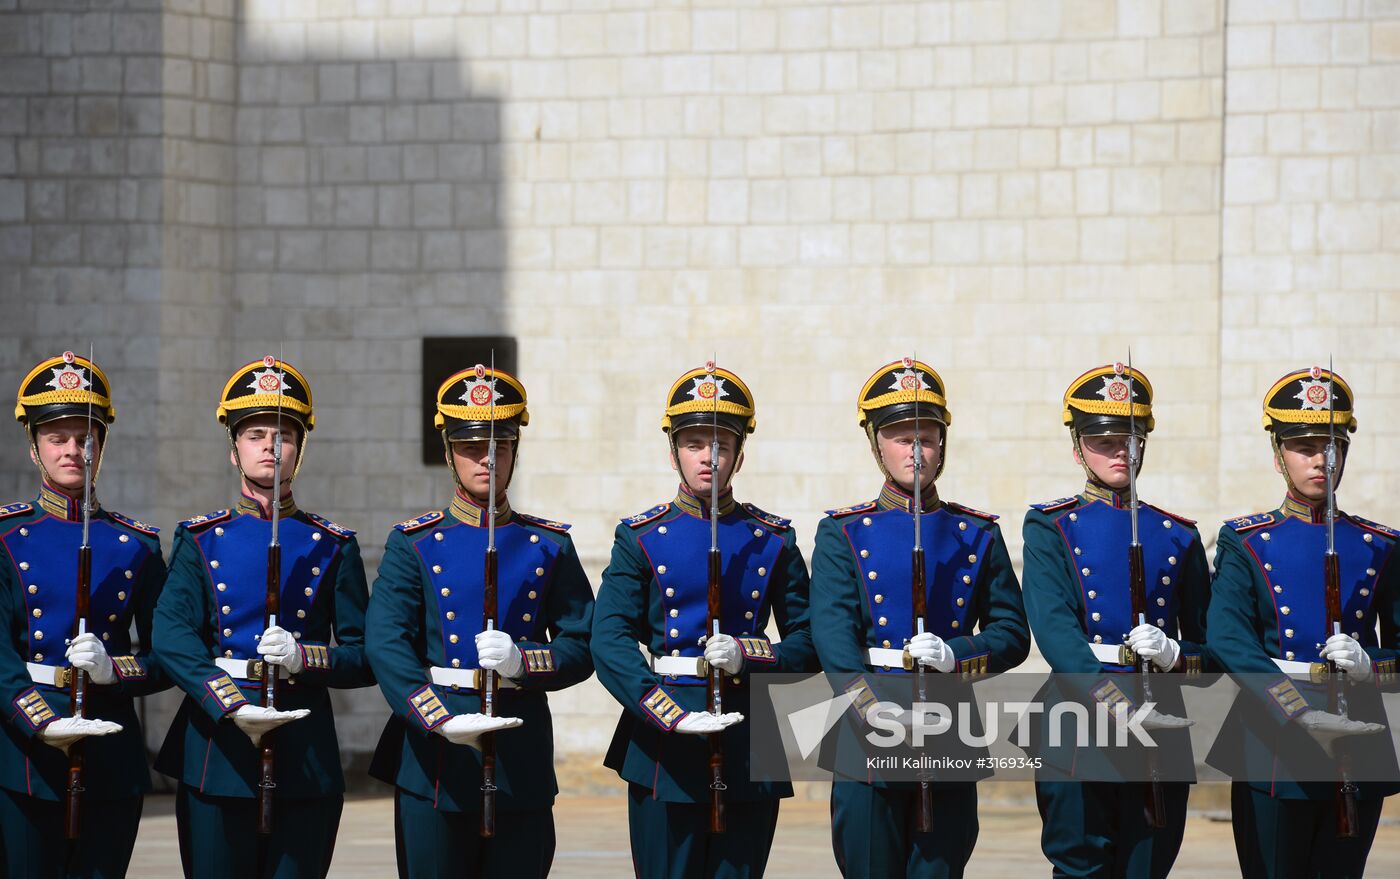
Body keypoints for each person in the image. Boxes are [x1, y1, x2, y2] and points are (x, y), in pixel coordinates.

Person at [367, 364, 594, 878]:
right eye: (472, 447)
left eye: (502, 446)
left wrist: (523, 662)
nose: (488, 458)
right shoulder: (414, 543)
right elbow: (386, 643)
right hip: (436, 754)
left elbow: (582, 643)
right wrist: (436, 716)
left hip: (519, 751)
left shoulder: (548, 544)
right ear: (450, 453)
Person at [592, 363, 815, 879]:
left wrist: (750, 654)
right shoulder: (641, 537)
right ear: (673, 452)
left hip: (750, 733)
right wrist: (664, 710)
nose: (709, 457)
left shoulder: (772, 538)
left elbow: (809, 641)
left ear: (739, 454)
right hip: (664, 739)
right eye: (694, 444)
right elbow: (609, 639)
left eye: (721, 445)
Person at [152, 357, 373, 878]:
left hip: (304, 751)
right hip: (218, 747)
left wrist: (304, 659)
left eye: (284, 436)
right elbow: (171, 633)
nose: (271, 446)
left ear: (300, 449)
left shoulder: (333, 545)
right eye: (255, 435)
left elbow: (364, 656)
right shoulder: (200, 539)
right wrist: (226, 701)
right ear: (235, 450)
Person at [810, 358, 1029, 879]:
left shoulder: (977, 533)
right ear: (877, 445)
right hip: (867, 728)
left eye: (926, 439)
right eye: (901, 438)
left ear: (941, 446)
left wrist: (958, 655)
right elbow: (835, 641)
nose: (915, 450)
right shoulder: (843, 532)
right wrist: (876, 713)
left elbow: (1012, 633)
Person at [1206, 366, 1397, 879]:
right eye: (1305, 447)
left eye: (1332, 446)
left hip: (1357, 738)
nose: (1320, 460)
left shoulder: (1381, 545)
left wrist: (1370, 665)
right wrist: (1292, 707)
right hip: (1273, 740)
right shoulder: (1246, 540)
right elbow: (1228, 638)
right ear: (1279, 456)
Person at [1021, 363, 1208, 878]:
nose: (1120, 451)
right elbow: (1056, 633)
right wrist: (1114, 704)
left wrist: (1175, 654)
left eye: (1130, 439)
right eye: (1103, 441)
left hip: (1160, 721)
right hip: (1077, 721)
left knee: (1148, 866)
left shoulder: (1179, 534)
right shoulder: (1051, 525)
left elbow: (1208, 648)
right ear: (1078, 449)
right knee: (1080, 866)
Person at [0, 351, 167, 878]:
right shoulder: (6, 537)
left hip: (110, 749)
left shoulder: (137, 544)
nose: (73, 450)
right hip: (23, 749)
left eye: (85, 437)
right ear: (34, 448)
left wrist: (114, 670)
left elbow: (167, 655)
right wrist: (39, 719)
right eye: (57, 438)